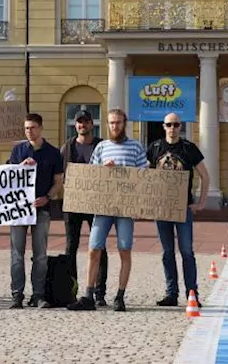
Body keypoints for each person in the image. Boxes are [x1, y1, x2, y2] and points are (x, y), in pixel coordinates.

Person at [68, 108, 148, 312]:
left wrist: (139, 204)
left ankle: (120, 296)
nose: (115, 126)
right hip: (103, 207)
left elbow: (144, 178)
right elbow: (92, 177)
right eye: (111, 123)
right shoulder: (101, 147)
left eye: (118, 122)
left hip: (125, 208)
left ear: (125, 123)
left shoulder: (136, 147)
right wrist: (103, 170)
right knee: (94, 248)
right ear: (107, 124)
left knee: (124, 250)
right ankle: (88, 295)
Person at [147, 112, 209, 308]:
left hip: (183, 208)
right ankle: (171, 293)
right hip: (161, 208)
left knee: (187, 251)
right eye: (169, 125)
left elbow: (205, 176)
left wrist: (201, 202)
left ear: (181, 127)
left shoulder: (189, 148)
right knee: (167, 253)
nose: (172, 128)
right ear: (163, 126)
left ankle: (192, 293)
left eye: (176, 125)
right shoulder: (155, 147)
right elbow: (145, 177)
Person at [7, 112, 63, 308]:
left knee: (40, 255)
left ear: (40, 128)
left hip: (42, 209)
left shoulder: (53, 153)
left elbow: (58, 182)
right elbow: (6, 179)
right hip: (19, 209)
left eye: (32, 128)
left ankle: (38, 295)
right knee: (16, 254)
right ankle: (17, 294)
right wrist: (19, 167)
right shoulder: (18, 150)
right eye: (26, 128)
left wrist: (47, 197)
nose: (29, 132)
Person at [60, 110, 109, 306]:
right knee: (70, 248)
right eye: (79, 122)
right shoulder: (67, 147)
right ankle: (72, 290)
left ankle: (99, 293)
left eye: (86, 122)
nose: (82, 125)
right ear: (75, 125)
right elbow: (59, 171)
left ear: (92, 124)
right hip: (73, 204)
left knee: (99, 247)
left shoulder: (102, 145)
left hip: (96, 203)